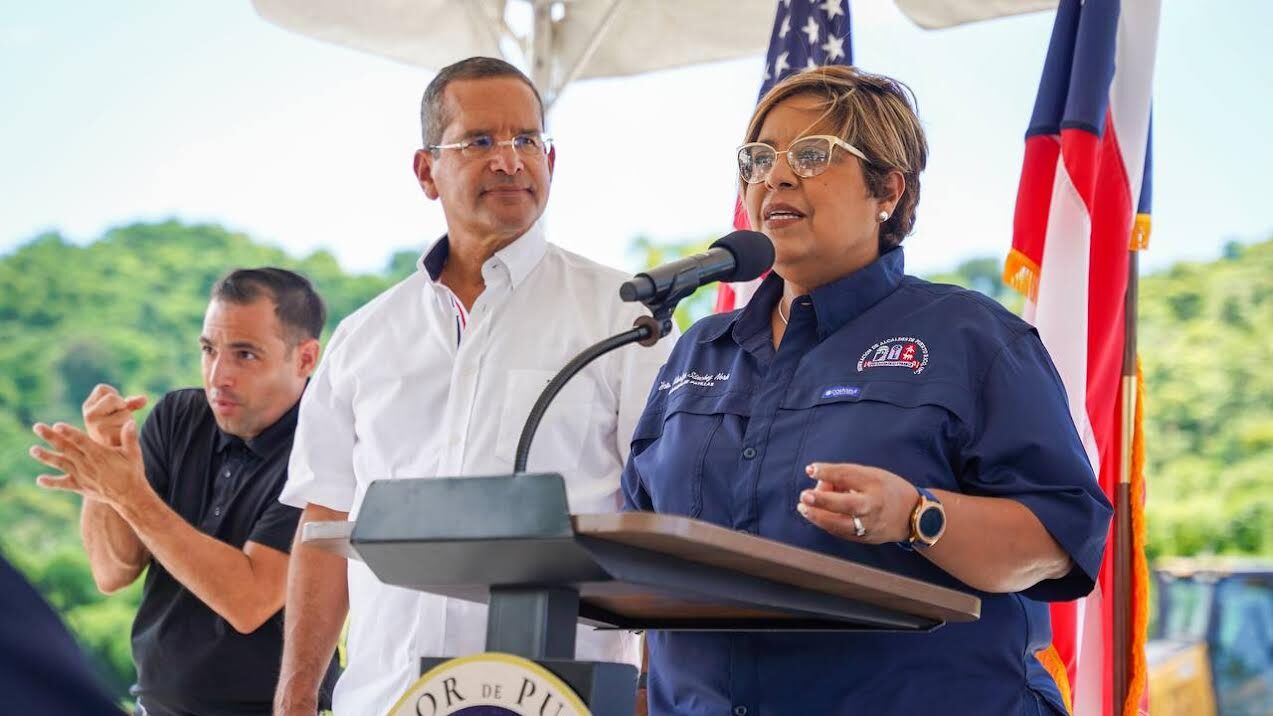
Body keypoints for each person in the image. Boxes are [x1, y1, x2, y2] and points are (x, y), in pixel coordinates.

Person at [622, 65, 1112, 715]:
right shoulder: (699, 348)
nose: (776, 176)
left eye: (812, 154)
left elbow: (1055, 542)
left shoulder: (971, 337)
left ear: (887, 188)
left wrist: (915, 515)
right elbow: (641, 553)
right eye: (758, 158)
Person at [273, 56, 672, 715]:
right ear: (426, 171)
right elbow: (325, 526)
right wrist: (294, 696)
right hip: (386, 698)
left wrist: (646, 692)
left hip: (560, 697)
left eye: (526, 140)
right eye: (479, 141)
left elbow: (658, 514)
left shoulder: (625, 318)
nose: (509, 161)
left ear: (551, 160)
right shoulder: (363, 339)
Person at [28, 268, 340, 715]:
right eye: (209, 350)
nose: (219, 375)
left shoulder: (322, 448)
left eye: (245, 355)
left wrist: (130, 496)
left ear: (306, 359)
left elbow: (248, 599)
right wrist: (105, 471)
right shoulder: (177, 416)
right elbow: (111, 573)